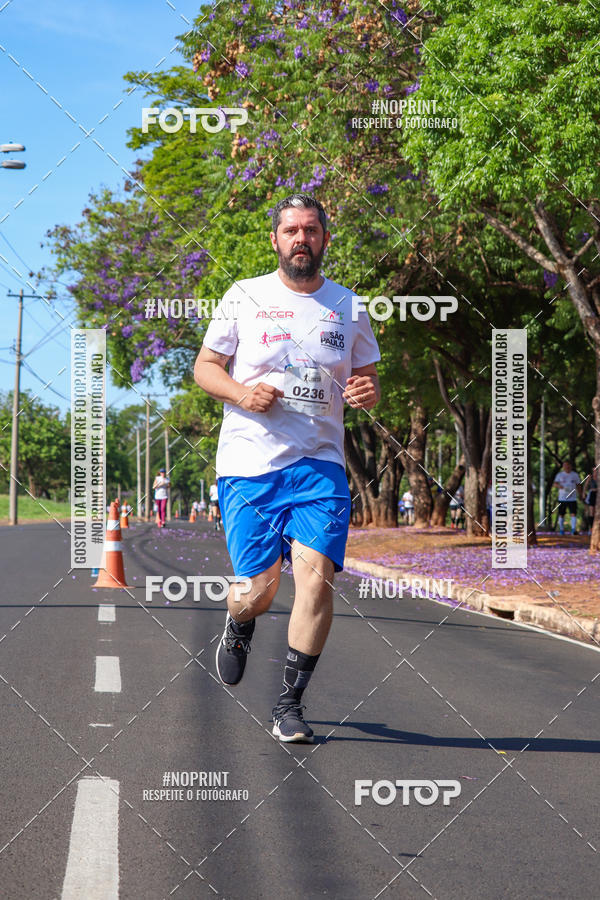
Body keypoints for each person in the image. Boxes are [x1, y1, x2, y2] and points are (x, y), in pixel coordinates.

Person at [194, 193, 380, 742]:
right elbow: (206, 368)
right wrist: (242, 394)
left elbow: (366, 377)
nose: (301, 238)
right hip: (250, 464)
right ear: (275, 240)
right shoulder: (244, 295)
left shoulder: (348, 306)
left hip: (319, 464)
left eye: (311, 230)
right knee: (259, 590)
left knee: (315, 582)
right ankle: (240, 622)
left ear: (325, 238)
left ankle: (289, 705)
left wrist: (369, 391)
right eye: (291, 230)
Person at [553, 460, 580, 535]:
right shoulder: (560, 475)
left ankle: (573, 529)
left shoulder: (575, 475)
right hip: (562, 498)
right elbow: (555, 484)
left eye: (568, 465)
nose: (566, 467)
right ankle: (561, 530)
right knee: (561, 514)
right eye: (565, 465)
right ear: (563, 467)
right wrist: (560, 486)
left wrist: (581, 494)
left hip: (572, 498)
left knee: (573, 513)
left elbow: (578, 485)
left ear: (571, 466)